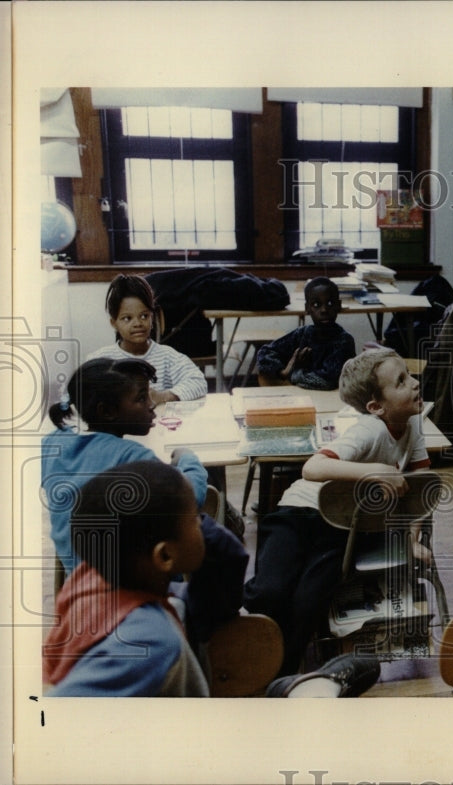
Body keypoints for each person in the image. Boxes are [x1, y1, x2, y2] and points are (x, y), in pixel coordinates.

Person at [42, 461, 378, 698]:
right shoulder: (149, 640)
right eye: (194, 519)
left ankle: (294, 689)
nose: (205, 525)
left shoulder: (92, 575)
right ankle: (311, 692)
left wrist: (185, 474)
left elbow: (221, 568)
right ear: (164, 557)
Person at [243, 347, 431, 673]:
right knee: (270, 592)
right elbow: (312, 468)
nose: (414, 384)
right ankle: (237, 637)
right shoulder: (368, 430)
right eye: (401, 381)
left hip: (341, 529)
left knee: (308, 602)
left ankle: (282, 674)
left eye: (410, 376)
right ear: (375, 407)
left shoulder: (414, 429)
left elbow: (419, 495)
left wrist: (413, 540)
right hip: (298, 514)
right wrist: (371, 471)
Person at [42, 358, 208, 575]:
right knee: (206, 526)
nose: (151, 404)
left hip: (76, 574)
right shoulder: (134, 457)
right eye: (141, 398)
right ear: (107, 411)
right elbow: (192, 496)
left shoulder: (52, 443)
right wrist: (188, 459)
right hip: (132, 584)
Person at [88, 274, 208, 405]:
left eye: (144, 316)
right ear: (114, 323)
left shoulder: (167, 356)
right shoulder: (101, 359)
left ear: (152, 317)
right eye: (127, 318)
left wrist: (161, 396)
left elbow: (198, 382)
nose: (138, 323)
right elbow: (84, 393)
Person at [255, 277, 356, 389]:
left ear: (339, 306)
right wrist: (281, 371)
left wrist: (294, 371)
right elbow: (265, 352)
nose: (324, 310)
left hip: (332, 399)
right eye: (316, 305)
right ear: (307, 308)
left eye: (330, 303)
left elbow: (327, 381)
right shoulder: (302, 334)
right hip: (302, 395)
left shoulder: (344, 340)